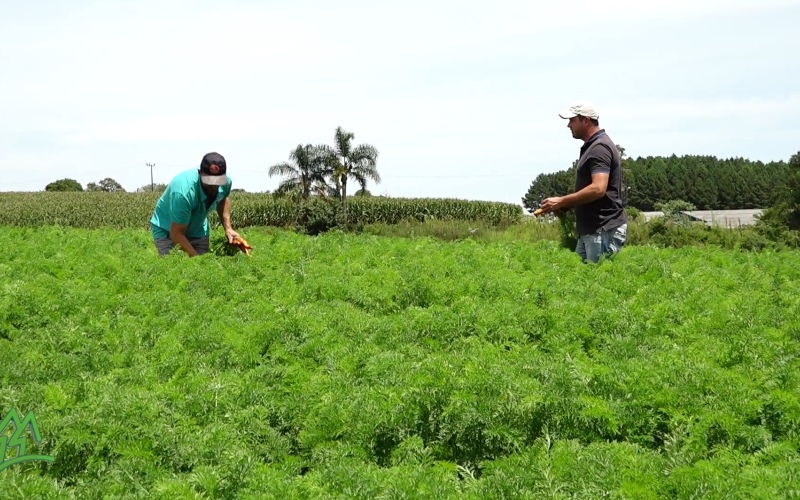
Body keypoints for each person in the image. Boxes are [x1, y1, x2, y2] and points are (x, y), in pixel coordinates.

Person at [539, 102, 627, 263]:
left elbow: (598, 188)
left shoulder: (599, 148)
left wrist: (562, 200)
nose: (568, 125)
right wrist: (565, 206)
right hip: (592, 231)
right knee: (580, 280)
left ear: (585, 120)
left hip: (602, 230)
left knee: (597, 284)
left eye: (572, 120)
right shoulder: (592, 146)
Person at [149, 152, 241, 257]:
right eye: (209, 181)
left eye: (218, 181)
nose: (214, 186)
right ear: (200, 173)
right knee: (172, 267)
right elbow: (176, 233)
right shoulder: (184, 192)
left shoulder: (226, 181)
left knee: (202, 268)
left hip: (198, 230)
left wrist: (228, 228)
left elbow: (223, 198)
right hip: (167, 230)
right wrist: (198, 262)